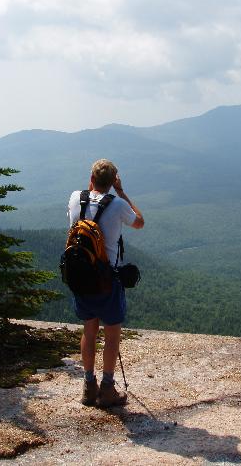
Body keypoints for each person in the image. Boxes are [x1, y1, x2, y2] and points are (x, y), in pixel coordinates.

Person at [68, 159, 144, 407]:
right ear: (113, 182)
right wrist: (120, 191)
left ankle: (88, 387)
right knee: (111, 336)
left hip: (80, 277)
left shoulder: (74, 198)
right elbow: (139, 222)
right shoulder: (118, 204)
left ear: (91, 178)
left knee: (89, 332)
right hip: (108, 281)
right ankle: (107, 389)